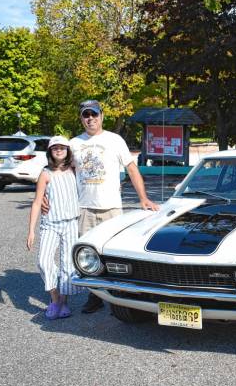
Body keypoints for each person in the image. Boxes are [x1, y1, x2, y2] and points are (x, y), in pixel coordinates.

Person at [43, 100, 159, 314]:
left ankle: (119, 299)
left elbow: (132, 169)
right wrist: (42, 195)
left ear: (101, 116)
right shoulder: (74, 143)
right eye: (86, 115)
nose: (90, 119)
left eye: (94, 114)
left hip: (111, 207)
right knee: (89, 255)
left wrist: (144, 198)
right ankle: (94, 295)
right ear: (81, 118)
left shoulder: (115, 140)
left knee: (114, 254)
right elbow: (58, 170)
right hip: (84, 208)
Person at [27, 136, 82, 320]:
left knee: (68, 263)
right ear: (50, 151)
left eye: (62, 148)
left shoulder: (74, 170)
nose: (59, 150)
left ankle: (64, 302)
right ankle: (55, 298)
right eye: (55, 148)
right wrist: (31, 230)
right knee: (44, 261)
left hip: (71, 224)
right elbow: (36, 202)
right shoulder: (45, 173)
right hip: (50, 224)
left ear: (68, 151)